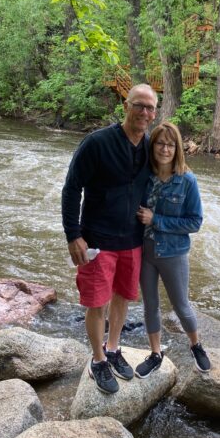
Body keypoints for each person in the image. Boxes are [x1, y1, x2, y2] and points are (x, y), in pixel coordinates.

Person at [62, 84, 158, 394]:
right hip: (97, 240)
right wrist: (73, 235)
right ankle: (98, 359)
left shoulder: (149, 147)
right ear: (126, 106)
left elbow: (172, 177)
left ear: (155, 113)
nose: (144, 112)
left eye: (150, 108)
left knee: (122, 297)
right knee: (96, 302)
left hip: (132, 240)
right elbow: (71, 188)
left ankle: (114, 348)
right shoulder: (97, 143)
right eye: (139, 105)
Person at [135, 121, 211, 378]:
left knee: (181, 306)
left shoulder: (187, 180)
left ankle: (196, 345)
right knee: (150, 305)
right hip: (145, 250)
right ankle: (156, 354)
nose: (165, 149)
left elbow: (195, 222)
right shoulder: (144, 176)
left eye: (170, 144)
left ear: (177, 148)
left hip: (174, 253)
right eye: (160, 143)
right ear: (152, 145)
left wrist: (156, 219)